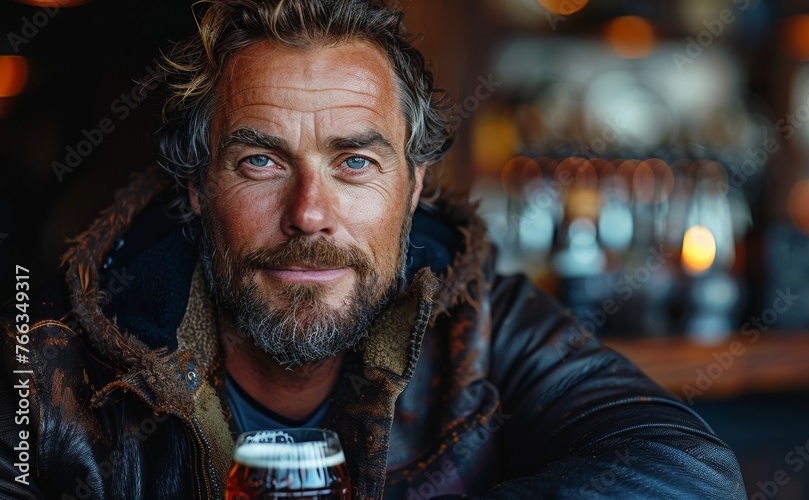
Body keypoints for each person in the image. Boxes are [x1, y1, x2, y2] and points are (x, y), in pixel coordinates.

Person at [1, 0, 747, 498]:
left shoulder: (479, 315)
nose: (309, 213)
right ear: (196, 186)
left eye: (355, 162)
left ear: (415, 186)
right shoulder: (48, 360)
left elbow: (691, 471)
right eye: (260, 161)